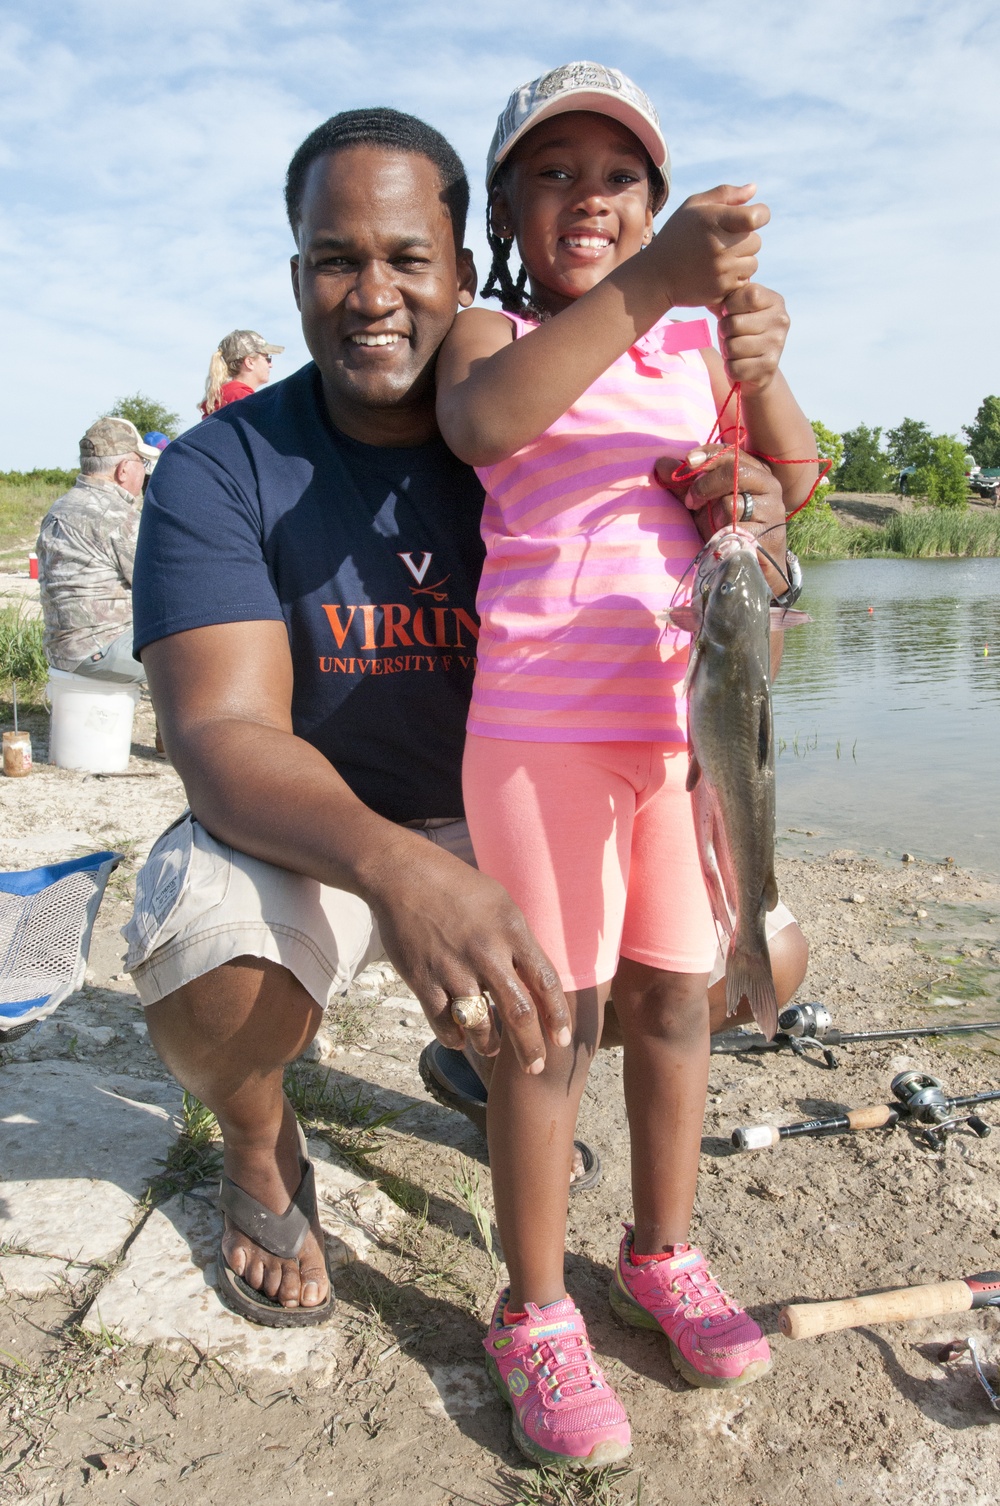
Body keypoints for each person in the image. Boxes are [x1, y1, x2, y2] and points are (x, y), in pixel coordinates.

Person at [123, 107, 805, 1343]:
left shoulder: (566, 410)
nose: (371, 294)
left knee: (756, 962)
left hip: (523, 805)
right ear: (295, 278)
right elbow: (219, 741)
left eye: (404, 260)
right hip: (315, 830)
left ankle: (473, 1066)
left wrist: (751, 485)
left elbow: (753, 500)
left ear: (462, 265)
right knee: (219, 988)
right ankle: (264, 1149)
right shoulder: (219, 465)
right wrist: (404, 872)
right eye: (337, 260)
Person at [433, 61, 818, 1469]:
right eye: (553, 171)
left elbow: (799, 470)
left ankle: (661, 1250)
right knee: (550, 1023)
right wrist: (656, 279)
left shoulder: (697, 348)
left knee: (673, 998)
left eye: (618, 176)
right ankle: (534, 1308)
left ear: (654, 199)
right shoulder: (487, 331)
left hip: (681, 732)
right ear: (509, 209)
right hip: (541, 735)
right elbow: (483, 424)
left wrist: (756, 440)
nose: (586, 196)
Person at [36, 417, 160, 684]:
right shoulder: (116, 516)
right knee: (199, 656)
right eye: (143, 463)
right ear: (124, 470)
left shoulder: (60, 507)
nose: (145, 472)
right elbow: (161, 586)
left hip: (62, 649)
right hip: (103, 650)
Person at [198, 329, 284, 416]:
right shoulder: (244, 400)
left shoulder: (223, 397)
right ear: (249, 362)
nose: (270, 365)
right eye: (268, 359)